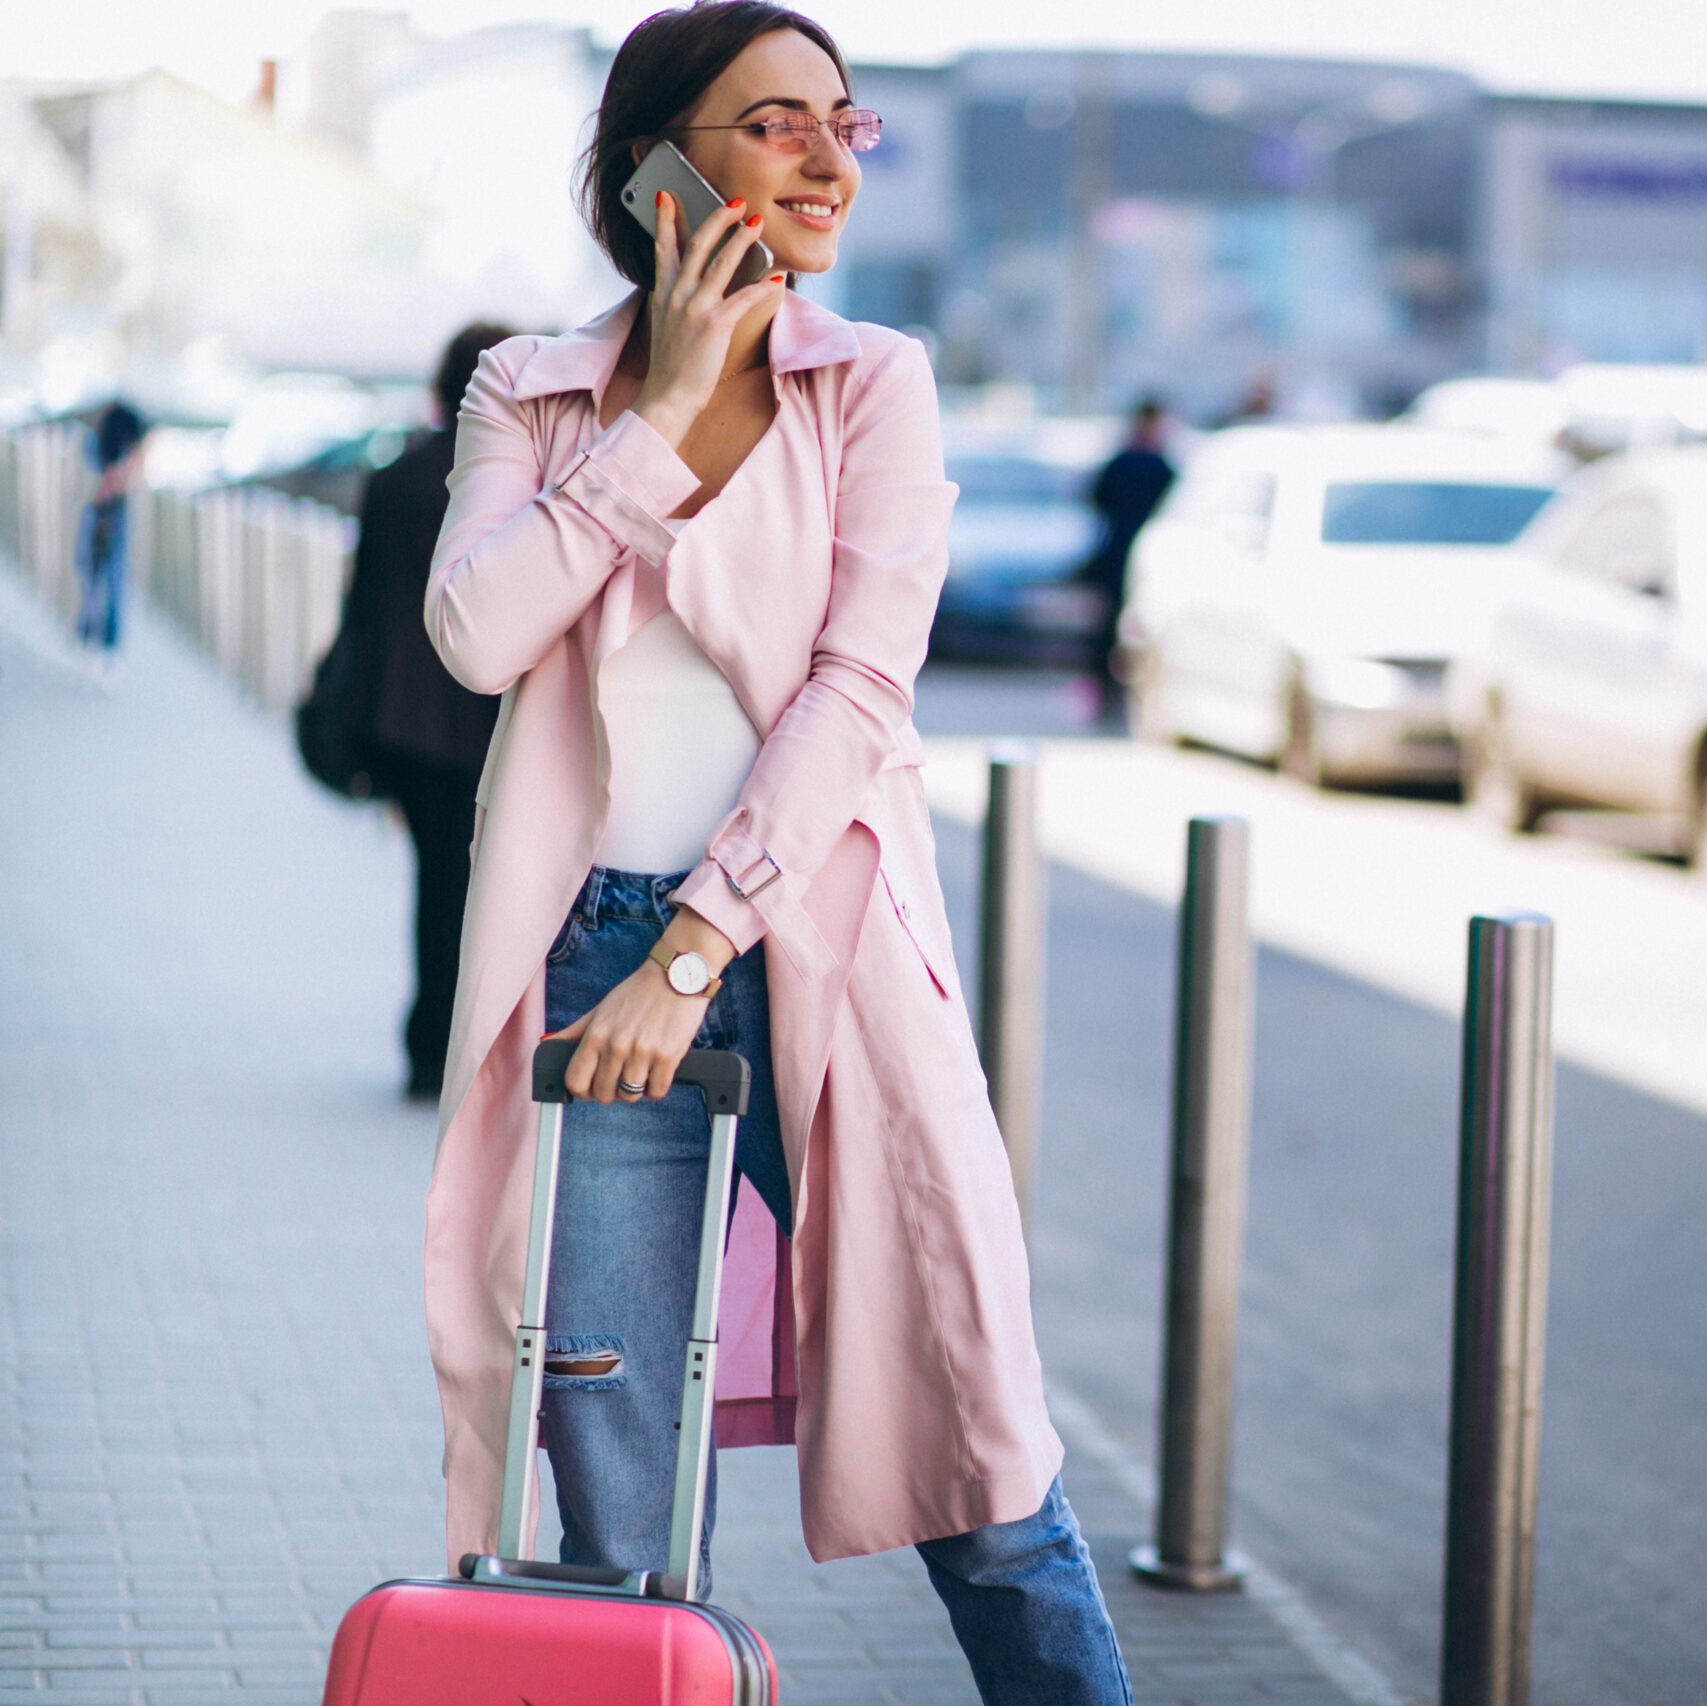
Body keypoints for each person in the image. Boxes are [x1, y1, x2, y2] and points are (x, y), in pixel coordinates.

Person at [418, 8, 1131, 1702]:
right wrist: (656, 415)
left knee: (979, 1441)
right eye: (774, 124)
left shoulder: (872, 381)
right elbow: (473, 631)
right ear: (661, 168)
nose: (826, 159)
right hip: (588, 967)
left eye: (842, 122)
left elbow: (861, 686)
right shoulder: (534, 390)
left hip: (822, 950)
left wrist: (698, 948)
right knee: (612, 1495)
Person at [329, 323, 519, 1101]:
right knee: (478, 893)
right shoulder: (516, 481)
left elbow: (365, 607)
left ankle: (428, 1042)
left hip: (406, 725)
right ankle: (456, 1051)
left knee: (436, 885)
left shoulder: (397, 473)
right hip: (482, 727)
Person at [1076, 397, 1175, 722]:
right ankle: (1122, 696)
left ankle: (1109, 695)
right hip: (1143, 555)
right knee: (1134, 628)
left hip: (1118, 551)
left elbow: (1096, 498)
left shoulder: (1122, 461)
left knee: (1110, 629)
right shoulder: (1161, 466)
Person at [75, 397, 147, 669]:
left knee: (93, 571)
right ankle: (104, 641)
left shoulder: (96, 446)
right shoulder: (118, 452)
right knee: (107, 574)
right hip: (108, 511)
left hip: (100, 512)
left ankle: (92, 634)